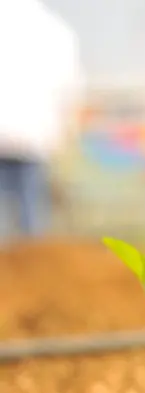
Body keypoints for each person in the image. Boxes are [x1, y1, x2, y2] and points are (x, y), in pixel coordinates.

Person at [0, 0, 82, 239]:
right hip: (35, 138)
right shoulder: (56, 30)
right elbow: (70, 88)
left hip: (26, 134)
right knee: (32, 223)